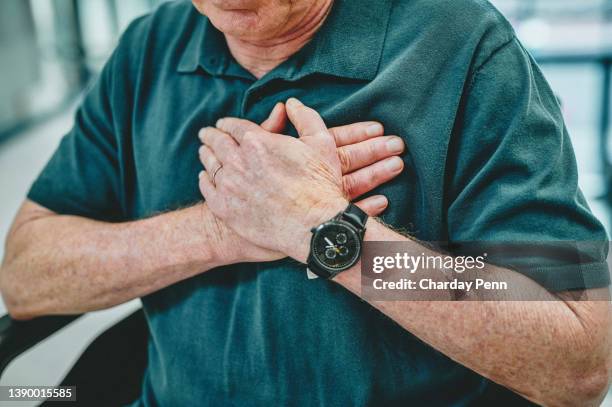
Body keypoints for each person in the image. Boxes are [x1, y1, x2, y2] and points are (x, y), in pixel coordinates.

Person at [1, 0, 611, 405]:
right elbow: (26, 277)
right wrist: (223, 231)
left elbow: (579, 354)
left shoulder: (463, 47)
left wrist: (328, 233)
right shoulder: (149, 48)